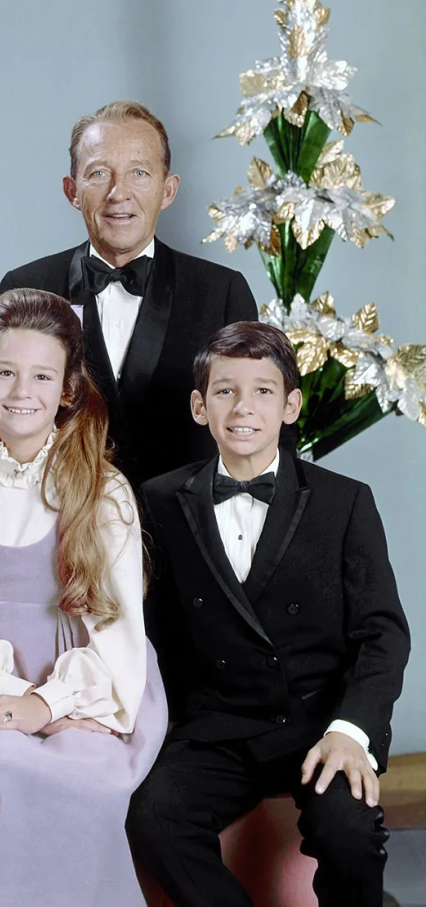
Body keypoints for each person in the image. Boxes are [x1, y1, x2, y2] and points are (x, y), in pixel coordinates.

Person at [127, 321, 410, 907]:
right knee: (153, 817)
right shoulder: (158, 499)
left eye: (262, 390)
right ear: (200, 407)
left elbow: (382, 634)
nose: (244, 407)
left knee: (349, 832)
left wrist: (351, 731)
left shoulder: (344, 501)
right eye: (226, 391)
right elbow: (150, 629)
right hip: (219, 727)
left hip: (320, 721)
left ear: (291, 405)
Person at [0, 288, 168, 907]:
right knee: (5, 769)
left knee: (89, 778)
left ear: (67, 390)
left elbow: (119, 633)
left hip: (86, 693)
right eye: (6, 373)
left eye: (41, 376)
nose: (21, 391)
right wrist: (2, 699)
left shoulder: (102, 492)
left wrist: (46, 704)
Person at [0, 100, 258, 489]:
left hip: (184, 533)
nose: (119, 193)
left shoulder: (222, 291)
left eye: (139, 173)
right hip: (57, 522)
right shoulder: (26, 287)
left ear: (168, 190)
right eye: (99, 173)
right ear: (72, 191)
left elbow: (259, 424)